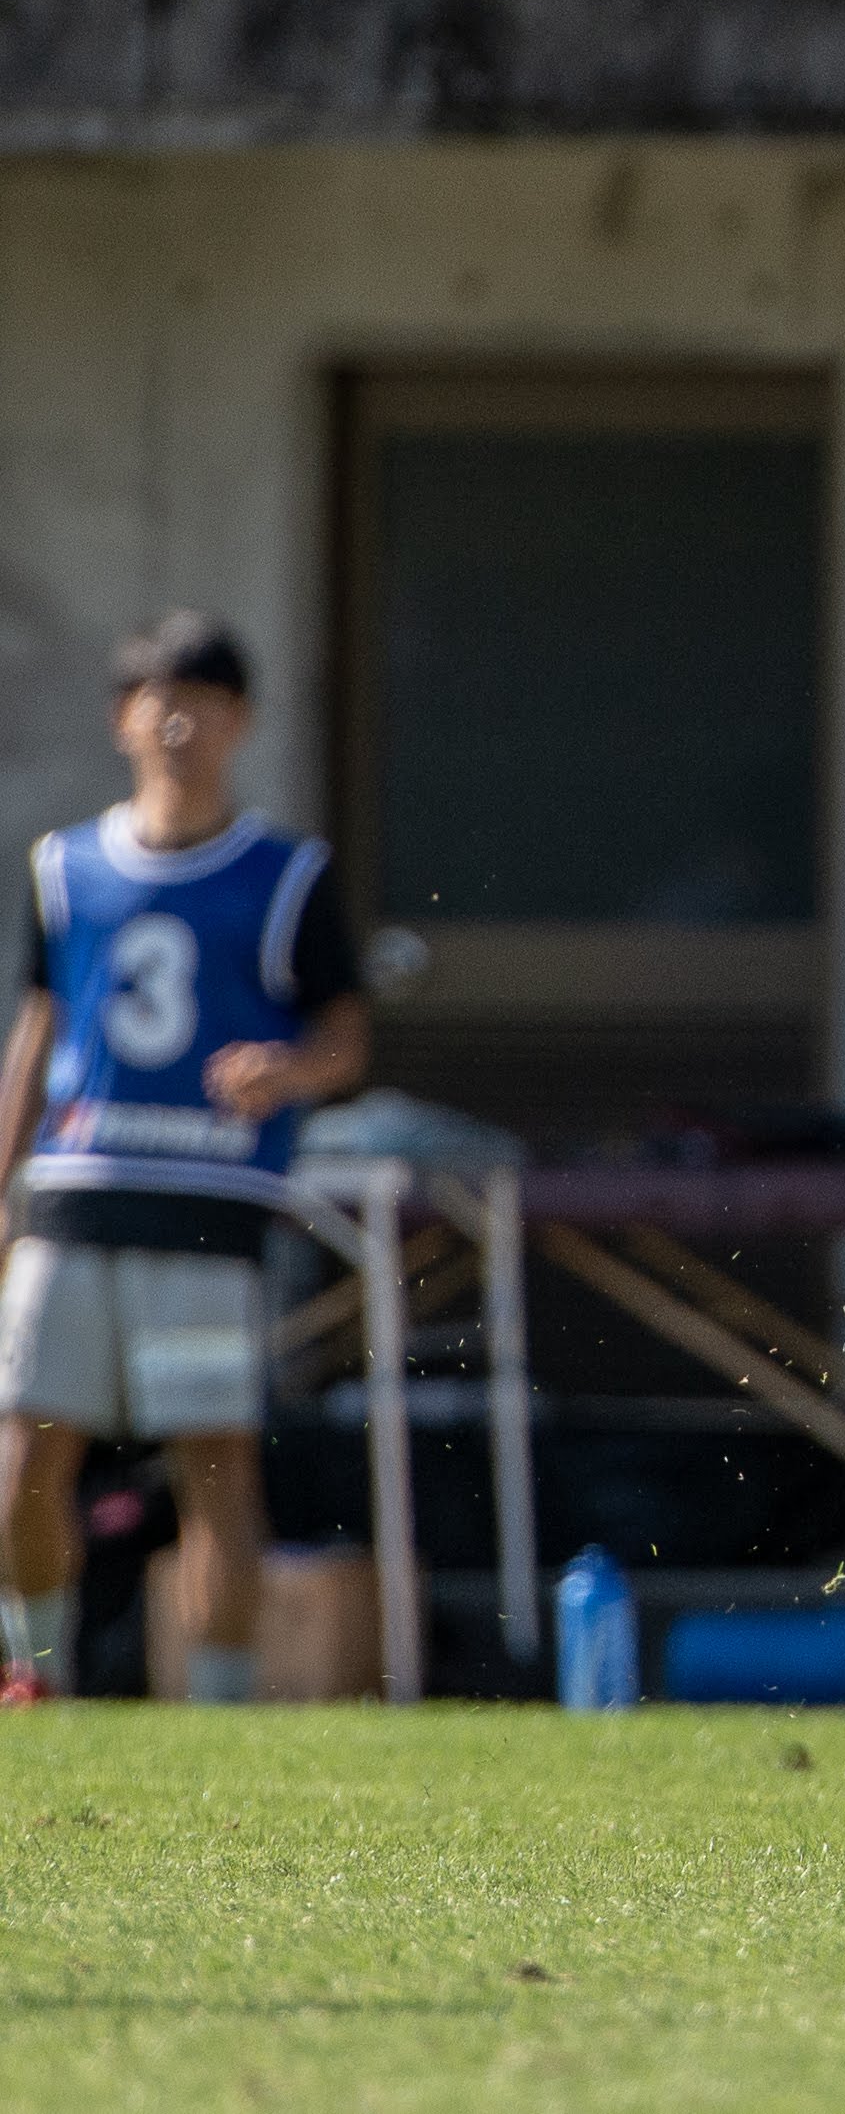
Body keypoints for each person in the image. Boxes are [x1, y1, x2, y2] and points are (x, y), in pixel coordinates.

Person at [0, 614, 371, 1705]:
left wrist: (287, 1070)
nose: (178, 726)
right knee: (25, 1453)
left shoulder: (285, 873)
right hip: (75, 1192)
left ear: (240, 721)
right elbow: (37, 1031)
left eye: (202, 704)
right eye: (158, 703)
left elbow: (344, 1036)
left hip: (207, 1203)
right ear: (122, 718)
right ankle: (39, 1672)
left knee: (214, 1464)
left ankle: (216, 1706)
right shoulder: (64, 867)